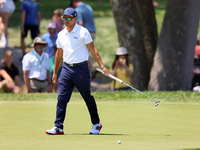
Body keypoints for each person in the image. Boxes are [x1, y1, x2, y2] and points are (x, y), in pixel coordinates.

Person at [45, 8, 109, 135]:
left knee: (87, 97)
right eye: (64, 18)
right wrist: (54, 72)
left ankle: (96, 124)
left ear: (75, 19)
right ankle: (58, 127)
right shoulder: (61, 34)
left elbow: (93, 50)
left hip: (81, 69)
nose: (66, 20)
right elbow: (58, 55)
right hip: (66, 69)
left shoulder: (83, 32)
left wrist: (102, 65)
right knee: (62, 98)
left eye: (69, 18)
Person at [70, 0, 97, 78]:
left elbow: (80, 23)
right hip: (93, 32)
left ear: (74, 2)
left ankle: (88, 69)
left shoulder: (78, 9)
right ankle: (91, 69)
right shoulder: (88, 7)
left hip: (86, 33)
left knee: (82, 51)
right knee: (85, 51)